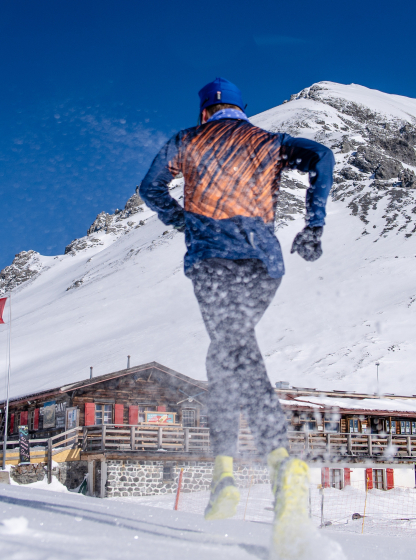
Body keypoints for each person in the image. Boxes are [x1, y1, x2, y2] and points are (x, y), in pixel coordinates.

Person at [139, 77, 333, 552]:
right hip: (263, 263)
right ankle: (230, 474)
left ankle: (274, 466)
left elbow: (150, 188)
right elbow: (322, 157)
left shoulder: (186, 141)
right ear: (243, 110)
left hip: (212, 262)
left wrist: (180, 219)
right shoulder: (269, 141)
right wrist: (315, 223)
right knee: (227, 350)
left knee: (234, 349)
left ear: (206, 111)